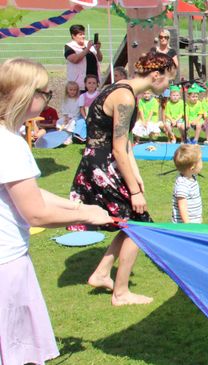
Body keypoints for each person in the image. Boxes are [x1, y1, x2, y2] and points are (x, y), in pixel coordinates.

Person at [0, 58, 112, 365]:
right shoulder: (10, 144)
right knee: (17, 351)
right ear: (27, 95)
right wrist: (86, 216)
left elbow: (28, 193)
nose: (49, 98)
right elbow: (35, 213)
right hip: (6, 264)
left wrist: (81, 207)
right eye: (46, 93)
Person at [69, 52, 176, 306]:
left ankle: (102, 273)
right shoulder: (125, 97)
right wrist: (135, 192)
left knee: (130, 221)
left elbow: (124, 143)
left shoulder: (121, 88)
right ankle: (121, 293)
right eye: (169, 79)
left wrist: (136, 178)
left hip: (101, 162)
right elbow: (117, 148)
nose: (169, 85)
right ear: (155, 75)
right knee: (138, 225)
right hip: (102, 165)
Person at [171, 144, 203, 223]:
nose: (202, 162)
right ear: (192, 167)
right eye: (200, 160)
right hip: (184, 225)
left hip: (194, 221)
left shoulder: (191, 178)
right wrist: (187, 225)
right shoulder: (182, 185)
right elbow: (182, 206)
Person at [65, 24, 103, 89]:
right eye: (80, 34)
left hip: (93, 81)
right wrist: (87, 48)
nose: (83, 36)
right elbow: (75, 60)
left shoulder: (88, 43)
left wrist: (98, 49)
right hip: (78, 83)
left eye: (83, 34)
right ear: (73, 36)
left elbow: (100, 59)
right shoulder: (69, 46)